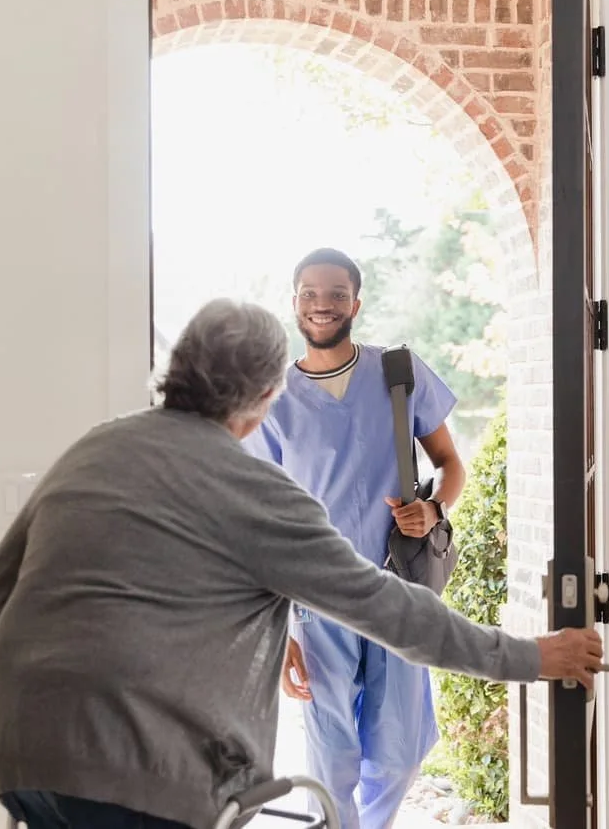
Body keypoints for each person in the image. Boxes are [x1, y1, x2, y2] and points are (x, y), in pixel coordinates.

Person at [0, 298, 603, 829]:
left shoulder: (98, 446)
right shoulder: (249, 489)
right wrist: (532, 657)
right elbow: (389, 607)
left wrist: (32, 702)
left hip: (21, 751)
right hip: (141, 770)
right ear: (271, 394)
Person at [243, 247, 470, 828]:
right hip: (316, 601)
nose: (323, 305)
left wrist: (433, 508)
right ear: (294, 303)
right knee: (330, 755)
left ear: (356, 303)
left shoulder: (399, 373)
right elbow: (257, 520)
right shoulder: (271, 398)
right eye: (310, 294)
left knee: (399, 752)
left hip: (398, 592)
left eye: (336, 295)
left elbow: (450, 465)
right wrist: (277, 627)